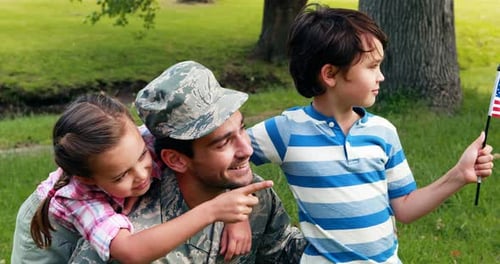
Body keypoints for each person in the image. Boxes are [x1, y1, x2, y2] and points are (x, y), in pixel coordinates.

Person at [246, 4, 495, 263]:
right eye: (372, 66)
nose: (382, 77)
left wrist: (459, 174)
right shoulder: (286, 131)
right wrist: (238, 215)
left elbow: (406, 208)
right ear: (330, 74)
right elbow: (227, 155)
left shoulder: (383, 132)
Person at [69, 60, 308, 263]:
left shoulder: (253, 196)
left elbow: (286, 250)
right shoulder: (129, 232)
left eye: (242, 129)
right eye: (223, 143)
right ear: (176, 160)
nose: (246, 150)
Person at [11, 93, 272, 263]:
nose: (141, 175)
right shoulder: (83, 198)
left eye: (141, 156)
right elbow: (130, 251)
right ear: (91, 179)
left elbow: (220, 160)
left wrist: (236, 215)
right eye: (123, 174)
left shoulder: (144, 138)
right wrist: (212, 211)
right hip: (52, 231)